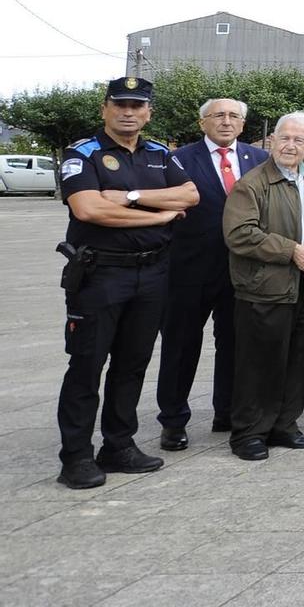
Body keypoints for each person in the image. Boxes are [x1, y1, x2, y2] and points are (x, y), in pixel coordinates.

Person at [53, 77, 200, 489]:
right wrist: (159, 214)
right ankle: (76, 456)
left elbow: (189, 195)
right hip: (101, 274)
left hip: (152, 273)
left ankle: (118, 445)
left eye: (137, 106)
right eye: (120, 105)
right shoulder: (84, 154)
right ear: (105, 109)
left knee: (132, 364)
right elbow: (89, 210)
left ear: (148, 112)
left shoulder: (158, 154)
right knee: (86, 365)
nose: (129, 112)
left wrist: (129, 197)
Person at [221, 112, 304, 461]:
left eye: (298, 140)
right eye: (284, 138)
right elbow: (240, 234)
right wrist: (292, 252)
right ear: (272, 140)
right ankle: (249, 433)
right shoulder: (252, 183)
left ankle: (285, 424)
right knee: (259, 363)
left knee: (299, 359)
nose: (290, 145)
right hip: (264, 288)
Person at [157, 97, 267, 451]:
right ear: (202, 122)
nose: (226, 121)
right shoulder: (177, 159)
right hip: (189, 270)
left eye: (234, 115)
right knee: (181, 344)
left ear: (243, 124)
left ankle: (228, 411)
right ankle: (173, 420)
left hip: (241, 270)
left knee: (235, 343)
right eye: (217, 115)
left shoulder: (259, 159)